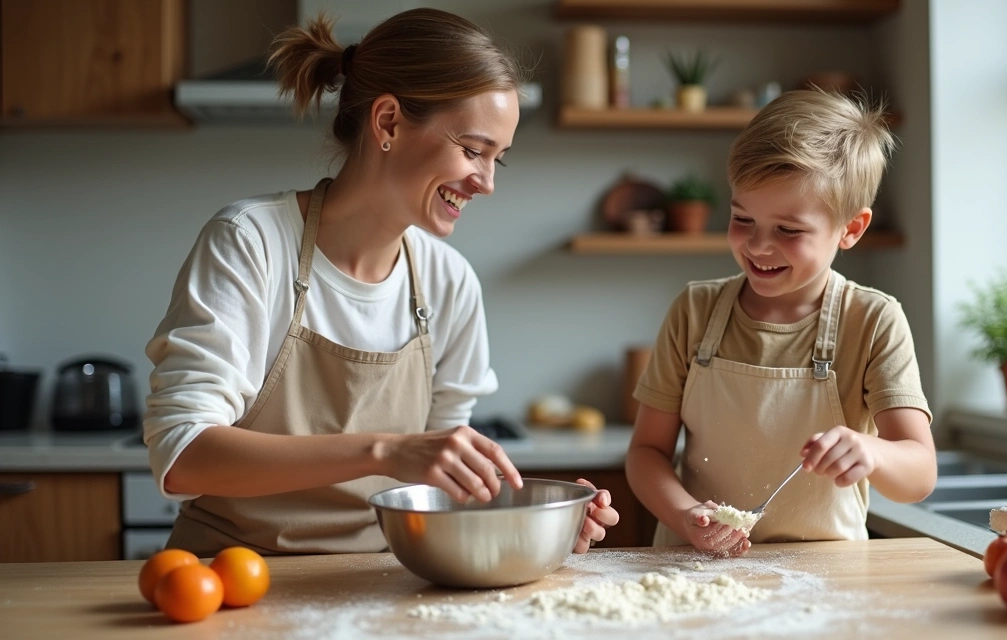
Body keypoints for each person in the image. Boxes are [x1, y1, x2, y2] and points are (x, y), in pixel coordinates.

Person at [143, 8, 617, 556]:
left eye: (498, 160)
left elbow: (443, 489)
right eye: (472, 150)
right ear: (388, 121)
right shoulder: (252, 243)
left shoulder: (448, 282)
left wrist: (547, 522)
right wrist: (385, 451)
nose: (486, 183)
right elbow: (182, 456)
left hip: (382, 582)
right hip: (225, 576)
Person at [625, 90, 937, 556]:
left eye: (788, 230)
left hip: (827, 574)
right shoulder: (695, 310)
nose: (758, 246)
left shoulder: (873, 320)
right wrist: (686, 516)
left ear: (851, 229)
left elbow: (920, 474)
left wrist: (872, 452)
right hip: (697, 565)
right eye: (742, 218)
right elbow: (645, 453)